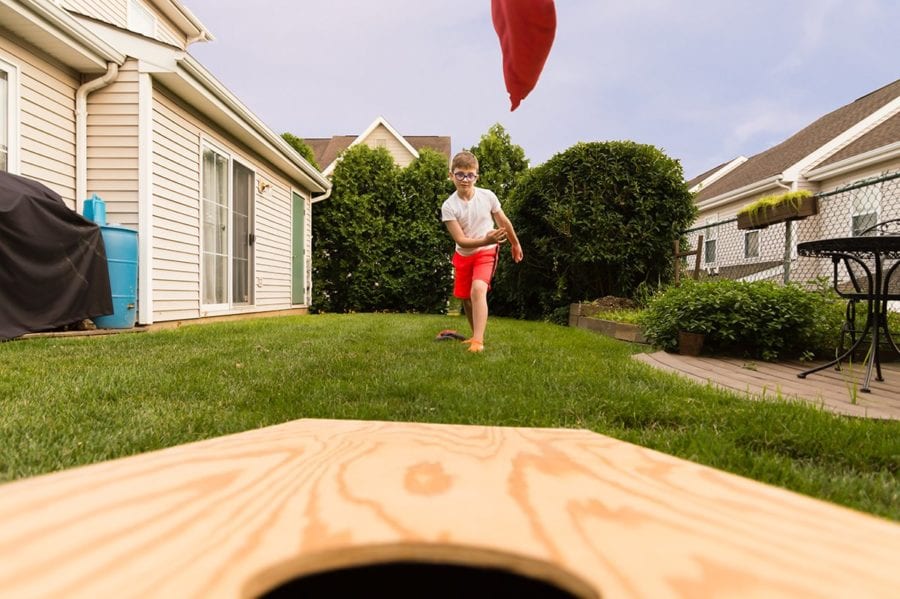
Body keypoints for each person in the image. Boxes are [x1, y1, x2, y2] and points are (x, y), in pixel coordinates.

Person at [441, 151, 523, 353]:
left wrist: (515, 243)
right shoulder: (449, 206)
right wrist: (486, 238)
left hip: (487, 251)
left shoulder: (488, 196)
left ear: (476, 176)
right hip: (464, 254)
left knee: (478, 289)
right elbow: (460, 240)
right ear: (451, 175)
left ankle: (478, 341)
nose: (465, 180)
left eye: (470, 175)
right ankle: (474, 335)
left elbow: (503, 222)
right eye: (460, 174)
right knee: (466, 299)